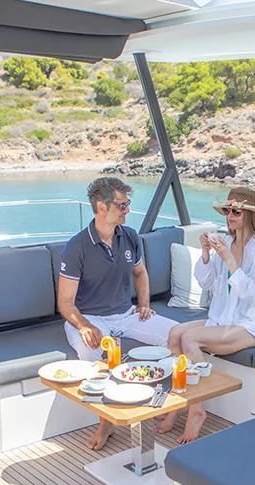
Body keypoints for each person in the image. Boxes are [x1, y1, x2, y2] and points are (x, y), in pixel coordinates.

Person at [58, 177, 177, 450]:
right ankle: (106, 422)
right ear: (102, 207)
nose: (127, 210)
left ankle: (161, 404)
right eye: (122, 206)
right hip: (89, 317)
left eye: (128, 205)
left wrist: (145, 304)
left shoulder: (130, 237)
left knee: (176, 335)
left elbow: (140, 273)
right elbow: (65, 303)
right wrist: (84, 326)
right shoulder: (77, 246)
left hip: (126, 314)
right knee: (92, 353)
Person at [161, 187, 255, 443]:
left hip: (250, 326)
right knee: (175, 333)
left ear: (250, 215)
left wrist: (229, 260)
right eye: (227, 210)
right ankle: (178, 400)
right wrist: (206, 252)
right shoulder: (226, 242)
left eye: (236, 211)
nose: (230, 216)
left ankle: (197, 410)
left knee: (190, 339)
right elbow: (205, 284)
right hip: (223, 319)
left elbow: (253, 295)